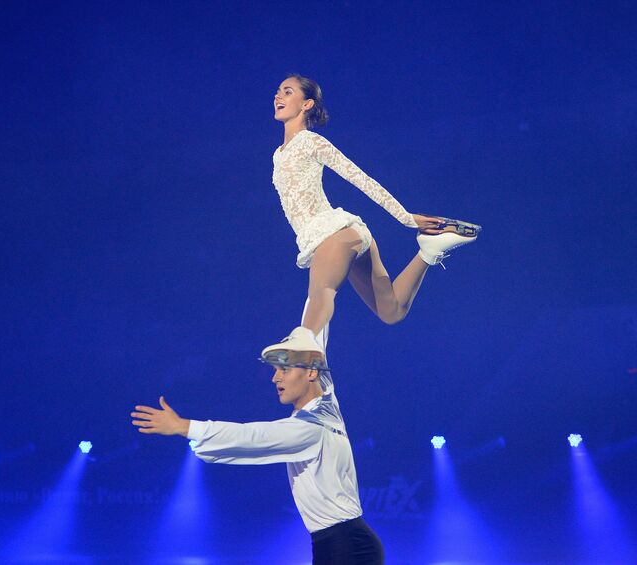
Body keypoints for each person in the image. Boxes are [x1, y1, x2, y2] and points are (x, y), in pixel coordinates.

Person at [131, 308, 385, 564]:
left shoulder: (309, 429)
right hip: (345, 544)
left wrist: (185, 426)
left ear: (310, 373)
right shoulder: (327, 402)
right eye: (275, 370)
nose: (275, 378)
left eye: (284, 369)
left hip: (344, 549)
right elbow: (315, 332)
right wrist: (319, 277)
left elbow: (253, 436)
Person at [261, 74, 481, 357]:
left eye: (287, 92)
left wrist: (406, 218)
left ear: (306, 104)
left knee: (322, 289)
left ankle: (304, 339)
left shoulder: (311, 142)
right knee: (391, 311)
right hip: (338, 238)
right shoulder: (278, 155)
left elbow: (361, 179)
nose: (278, 96)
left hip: (333, 233)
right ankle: (428, 252)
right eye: (278, 91)